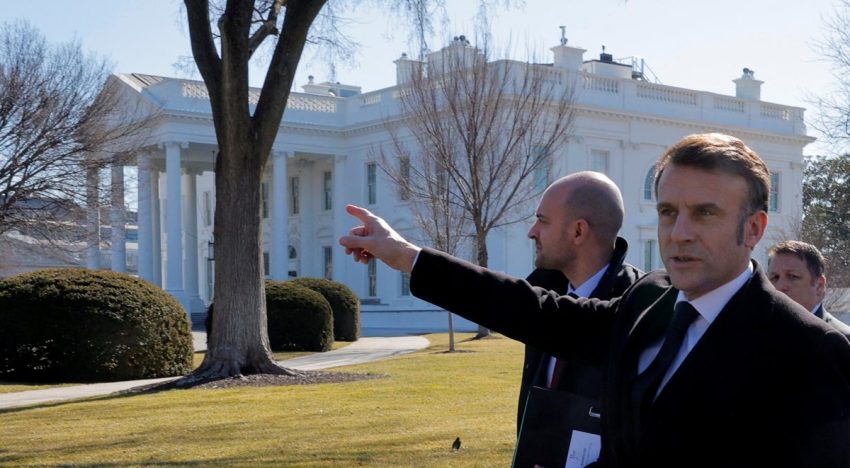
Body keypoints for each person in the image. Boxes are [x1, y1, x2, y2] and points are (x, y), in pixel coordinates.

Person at [340, 133, 850, 467]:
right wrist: (407, 256)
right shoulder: (649, 300)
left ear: (753, 228)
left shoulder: (812, 351)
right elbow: (534, 311)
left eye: (706, 214)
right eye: (669, 211)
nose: (679, 233)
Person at [519, 172, 640, 433]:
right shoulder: (539, 291)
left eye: (542, 221)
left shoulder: (634, 313)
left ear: (578, 231)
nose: (532, 232)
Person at [768, 240, 850, 338]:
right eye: (774, 277)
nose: (779, 286)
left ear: (819, 286)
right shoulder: (756, 336)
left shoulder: (843, 341)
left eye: (793, 276)